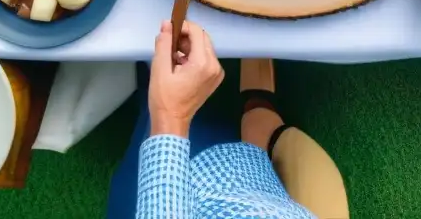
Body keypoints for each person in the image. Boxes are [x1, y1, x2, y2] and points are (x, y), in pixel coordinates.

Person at [107, 21, 349, 218]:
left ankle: (146, 80)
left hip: (203, 179)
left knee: (144, 133)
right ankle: (257, 100)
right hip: (261, 194)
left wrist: (170, 116)